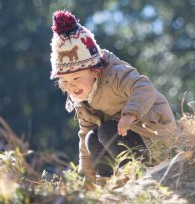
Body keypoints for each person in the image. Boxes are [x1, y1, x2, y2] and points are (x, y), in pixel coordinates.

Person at [49, 10, 177, 187]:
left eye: (77, 78)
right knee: (91, 138)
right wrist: (86, 177)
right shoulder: (80, 100)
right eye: (65, 81)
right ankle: (106, 181)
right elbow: (85, 136)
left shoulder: (114, 76)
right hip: (123, 135)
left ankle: (139, 173)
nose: (72, 86)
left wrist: (130, 114)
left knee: (107, 130)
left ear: (95, 71)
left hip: (153, 132)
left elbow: (145, 88)